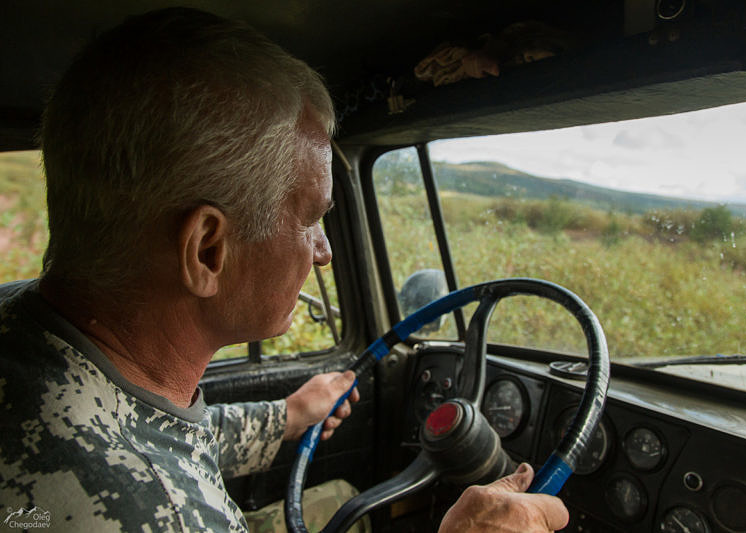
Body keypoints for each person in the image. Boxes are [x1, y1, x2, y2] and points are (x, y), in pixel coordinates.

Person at [0, 7, 568, 533]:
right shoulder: (150, 511)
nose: (322, 250)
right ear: (206, 251)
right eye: (311, 219)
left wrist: (291, 415)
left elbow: (167, 430)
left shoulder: (31, 331)